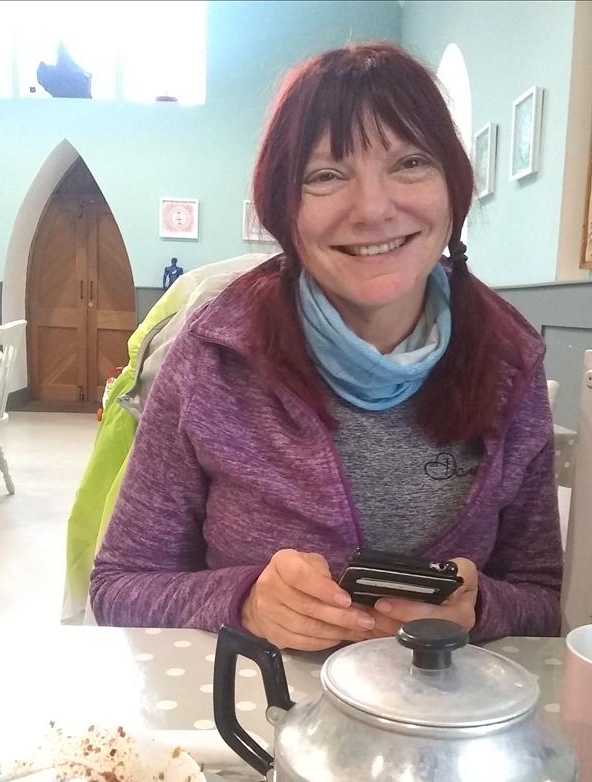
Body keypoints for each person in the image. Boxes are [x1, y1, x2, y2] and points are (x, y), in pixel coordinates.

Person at [90, 42, 563, 650]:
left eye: (410, 162)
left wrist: (481, 607)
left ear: (454, 187)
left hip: (440, 723)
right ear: (284, 209)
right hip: (253, 716)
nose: (372, 208)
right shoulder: (212, 356)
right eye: (326, 176)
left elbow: (541, 601)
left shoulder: (508, 362)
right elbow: (119, 586)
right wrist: (245, 602)